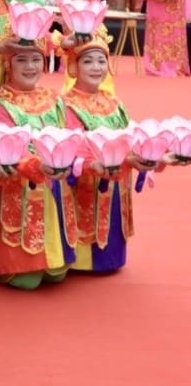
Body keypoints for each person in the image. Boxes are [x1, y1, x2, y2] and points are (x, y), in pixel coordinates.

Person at [0, 42, 77, 290]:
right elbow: (5, 147)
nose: (30, 66)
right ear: (7, 64)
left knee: (56, 275)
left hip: (54, 189)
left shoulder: (54, 99)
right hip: (18, 191)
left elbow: (71, 136)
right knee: (26, 280)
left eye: (36, 59)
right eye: (21, 60)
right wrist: (38, 165)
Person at [62, 31, 142, 272]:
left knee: (113, 215)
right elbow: (74, 145)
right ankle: (82, 260)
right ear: (74, 67)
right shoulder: (67, 103)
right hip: (86, 180)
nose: (96, 67)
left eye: (101, 61)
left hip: (117, 181)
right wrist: (94, 164)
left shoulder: (114, 102)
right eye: (88, 61)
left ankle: (112, 257)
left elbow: (131, 136)